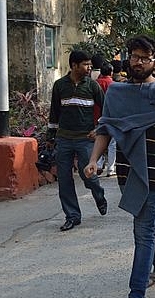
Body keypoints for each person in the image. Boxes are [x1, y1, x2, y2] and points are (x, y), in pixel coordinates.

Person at [83, 35, 155, 298]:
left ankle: (136, 291)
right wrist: (93, 160)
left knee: (142, 230)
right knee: (145, 219)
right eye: (135, 56)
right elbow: (106, 128)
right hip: (127, 168)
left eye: (145, 58)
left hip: (154, 171)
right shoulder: (117, 93)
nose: (139, 62)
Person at [47, 50, 107, 232]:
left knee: (88, 175)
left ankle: (99, 195)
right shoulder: (59, 86)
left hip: (85, 140)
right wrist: (50, 137)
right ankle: (72, 216)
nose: (90, 68)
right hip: (64, 139)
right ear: (74, 65)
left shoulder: (93, 86)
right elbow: (54, 112)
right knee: (64, 180)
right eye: (86, 65)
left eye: (90, 64)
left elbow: (106, 109)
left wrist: (98, 130)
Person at [95, 63, 117, 176]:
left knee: (98, 140)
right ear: (111, 72)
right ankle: (111, 169)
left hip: (96, 117)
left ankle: (98, 164)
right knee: (112, 144)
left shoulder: (95, 83)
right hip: (111, 118)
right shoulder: (113, 85)